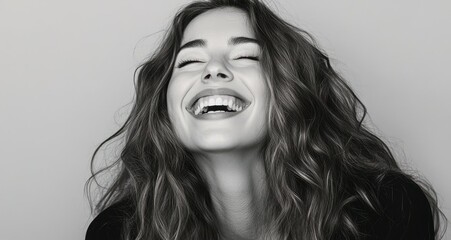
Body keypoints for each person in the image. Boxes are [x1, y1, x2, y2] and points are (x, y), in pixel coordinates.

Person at [85, 0, 446, 239]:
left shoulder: (386, 212)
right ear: (164, 106)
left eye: (245, 56)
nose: (213, 70)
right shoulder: (122, 232)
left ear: (290, 89)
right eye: (189, 62)